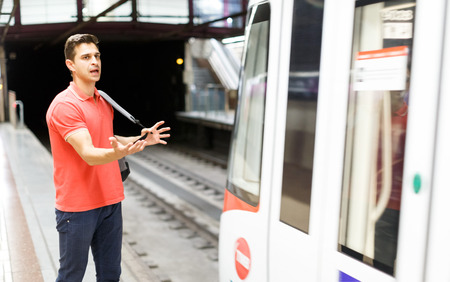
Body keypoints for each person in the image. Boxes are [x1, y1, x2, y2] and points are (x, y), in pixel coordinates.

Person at [46, 33, 170, 281]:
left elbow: (107, 138)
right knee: (71, 275)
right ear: (70, 65)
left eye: (97, 56)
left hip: (110, 201)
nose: (94, 62)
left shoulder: (103, 101)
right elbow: (90, 154)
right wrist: (118, 153)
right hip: (78, 208)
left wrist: (141, 139)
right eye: (86, 57)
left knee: (111, 274)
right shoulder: (65, 106)